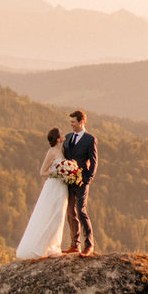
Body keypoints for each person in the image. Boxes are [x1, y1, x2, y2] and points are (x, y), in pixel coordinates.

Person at [15, 127, 68, 259]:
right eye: (61, 133)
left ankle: (53, 246)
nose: (63, 134)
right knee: (53, 214)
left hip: (62, 186)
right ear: (57, 138)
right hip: (54, 186)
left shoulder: (61, 150)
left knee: (59, 215)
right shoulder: (51, 152)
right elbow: (42, 172)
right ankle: (49, 248)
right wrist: (57, 173)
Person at [62, 109, 97, 256]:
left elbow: (94, 161)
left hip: (82, 181)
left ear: (81, 122)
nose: (71, 125)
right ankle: (75, 244)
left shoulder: (90, 139)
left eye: (73, 122)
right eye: (70, 122)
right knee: (70, 211)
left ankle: (88, 244)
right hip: (69, 180)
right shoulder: (68, 137)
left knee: (81, 211)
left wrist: (87, 178)